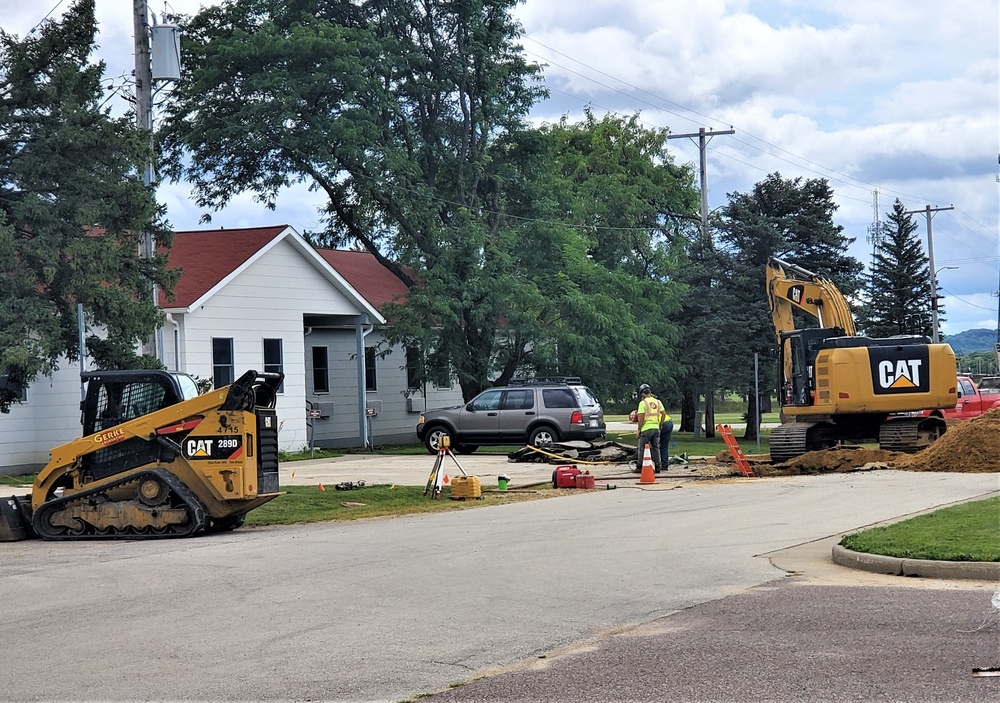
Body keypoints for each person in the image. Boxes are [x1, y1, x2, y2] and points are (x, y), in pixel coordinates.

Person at [634, 384, 664, 473]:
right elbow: (664, 414)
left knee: (642, 447)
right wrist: (660, 425)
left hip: (646, 429)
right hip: (656, 428)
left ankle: (639, 466)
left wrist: (639, 429)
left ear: (642, 394)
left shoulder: (643, 403)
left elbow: (640, 417)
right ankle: (658, 466)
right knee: (656, 448)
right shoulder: (658, 402)